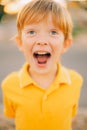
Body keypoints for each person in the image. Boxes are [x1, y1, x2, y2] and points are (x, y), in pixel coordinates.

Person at [1, 0, 83, 130]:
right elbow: (11, 115)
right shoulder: (9, 84)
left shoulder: (75, 81)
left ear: (65, 44)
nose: (42, 41)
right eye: (32, 32)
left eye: (53, 32)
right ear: (20, 42)